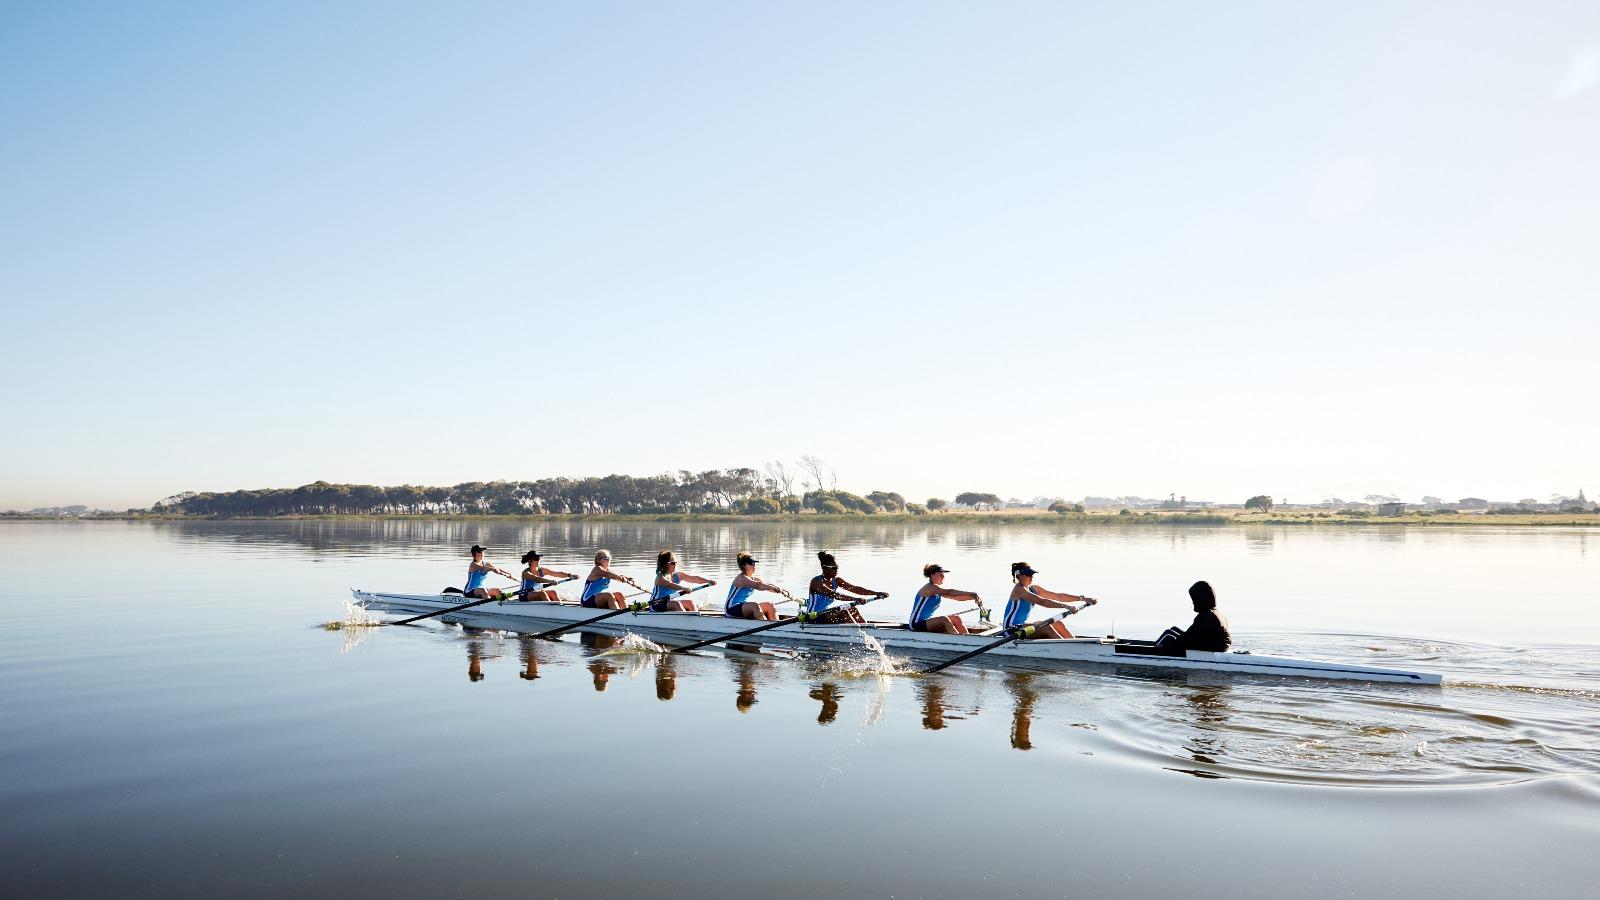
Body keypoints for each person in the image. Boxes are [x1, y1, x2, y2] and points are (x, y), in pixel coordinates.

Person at [1002, 561, 1089, 639]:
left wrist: (1084, 598)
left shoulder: (1034, 589)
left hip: (1021, 627)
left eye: (1032, 574)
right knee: (1046, 627)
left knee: (1058, 624)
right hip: (1011, 630)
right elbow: (1042, 601)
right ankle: (1066, 649)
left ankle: (1074, 644)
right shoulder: (1018, 589)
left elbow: (1058, 596)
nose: (1031, 577)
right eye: (1028, 574)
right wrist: (1067, 606)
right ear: (1019, 576)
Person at [806, 551, 886, 624]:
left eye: (837, 567)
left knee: (853, 609)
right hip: (813, 616)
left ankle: (867, 630)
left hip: (827, 613)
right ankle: (857, 635)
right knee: (844, 612)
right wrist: (855, 599)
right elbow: (834, 595)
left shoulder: (837, 581)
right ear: (825, 568)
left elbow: (855, 589)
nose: (836, 570)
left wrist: (877, 593)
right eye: (834, 568)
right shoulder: (816, 582)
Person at [1155, 580, 1232, 652]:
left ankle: (1153, 652)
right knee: (1173, 630)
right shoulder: (1217, 614)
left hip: (1213, 647)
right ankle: (1156, 647)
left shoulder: (1206, 617)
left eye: (1194, 600)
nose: (1193, 603)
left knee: (1168, 634)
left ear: (1201, 600)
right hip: (1219, 646)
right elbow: (1192, 635)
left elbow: (1187, 640)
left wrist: (1167, 646)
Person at [908, 563, 980, 634]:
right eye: (941, 574)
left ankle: (966, 639)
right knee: (944, 619)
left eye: (943, 575)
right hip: (916, 624)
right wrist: (970, 593)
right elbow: (949, 592)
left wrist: (974, 598)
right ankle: (957, 640)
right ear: (932, 575)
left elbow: (956, 597)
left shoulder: (937, 590)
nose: (943, 577)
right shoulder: (929, 588)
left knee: (956, 618)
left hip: (926, 623)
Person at [724, 551, 787, 620]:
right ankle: (764, 626)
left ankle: (775, 626)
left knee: (770, 605)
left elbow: (766, 586)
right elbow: (758, 586)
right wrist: (773, 588)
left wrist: (781, 590)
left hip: (744, 608)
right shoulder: (741, 578)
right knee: (755, 605)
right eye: (751, 563)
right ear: (744, 566)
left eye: (754, 563)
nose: (754, 565)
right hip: (731, 609)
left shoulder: (755, 579)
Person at [649, 550, 715, 612]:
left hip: (669, 602)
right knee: (676, 604)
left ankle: (696, 620)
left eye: (676, 562)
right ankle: (686, 622)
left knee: (690, 602)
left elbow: (694, 579)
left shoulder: (679, 575)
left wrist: (708, 581)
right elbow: (670, 584)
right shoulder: (660, 578)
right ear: (666, 564)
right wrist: (683, 588)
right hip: (656, 604)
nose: (676, 564)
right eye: (673, 563)